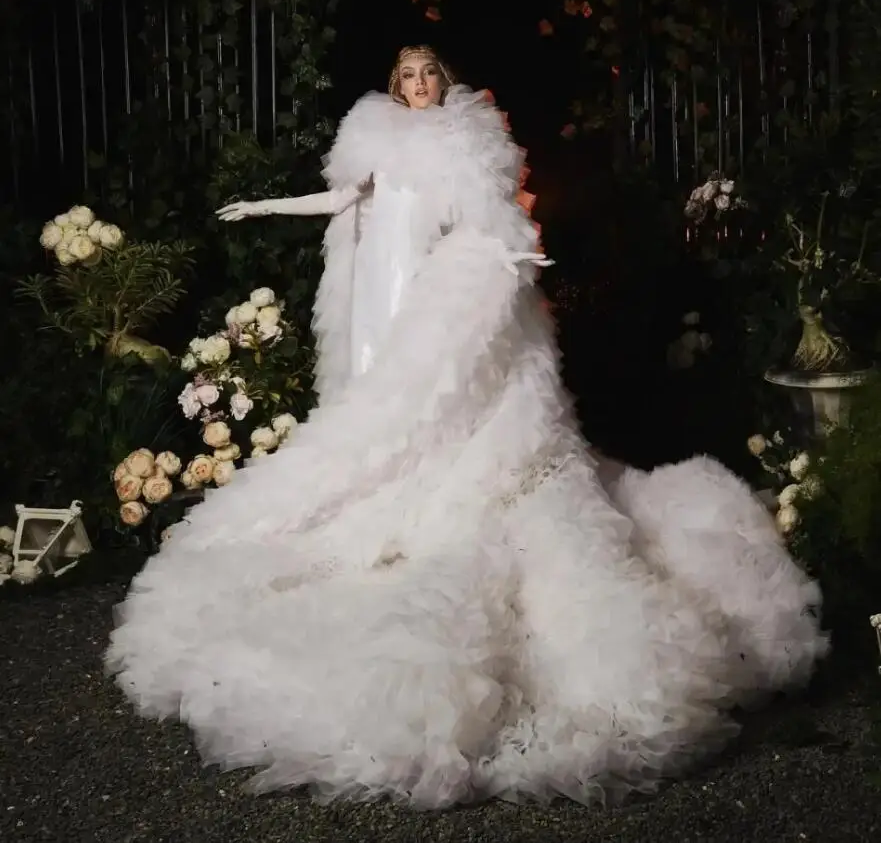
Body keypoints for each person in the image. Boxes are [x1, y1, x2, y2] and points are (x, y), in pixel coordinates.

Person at [106, 46, 828, 808]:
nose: (417, 86)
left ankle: (439, 483)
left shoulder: (465, 141)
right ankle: (391, 486)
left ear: (441, 83)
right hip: (380, 297)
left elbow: (491, 216)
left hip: (433, 298)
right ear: (392, 86)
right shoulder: (373, 137)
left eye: (427, 76)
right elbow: (343, 201)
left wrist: (519, 247)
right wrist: (263, 207)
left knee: (443, 391)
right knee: (376, 406)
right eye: (406, 77)